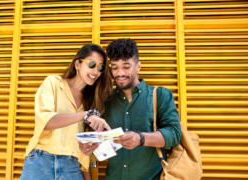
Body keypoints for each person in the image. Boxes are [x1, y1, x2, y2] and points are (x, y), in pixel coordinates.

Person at [78, 39, 181, 180]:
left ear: (138, 66)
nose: (120, 73)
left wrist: (141, 139)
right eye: (114, 67)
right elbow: (101, 145)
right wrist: (90, 149)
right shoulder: (105, 102)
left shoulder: (161, 95)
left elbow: (175, 134)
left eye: (126, 66)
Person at [20, 44, 113, 180]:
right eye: (92, 64)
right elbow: (46, 120)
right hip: (40, 163)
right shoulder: (52, 83)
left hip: (72, 167)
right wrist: (85, 115)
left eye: (100, 67)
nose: (96, 71)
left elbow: (85, 153)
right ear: (77, 64)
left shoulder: (93, 101)